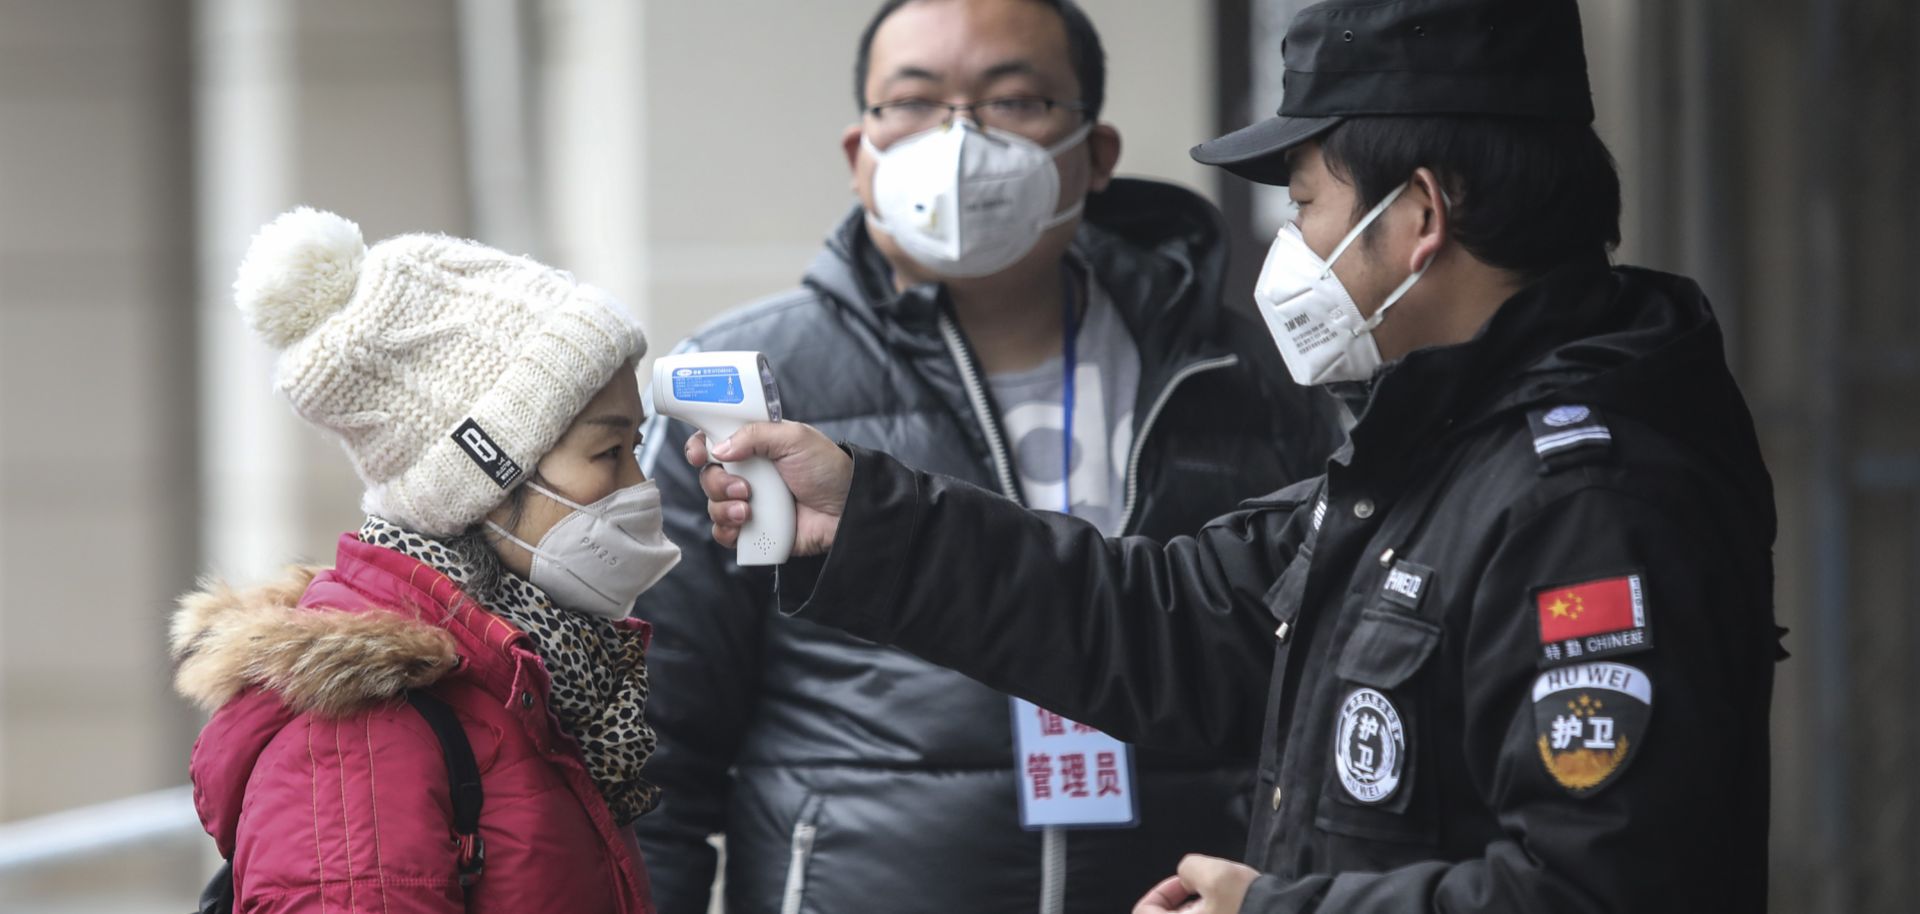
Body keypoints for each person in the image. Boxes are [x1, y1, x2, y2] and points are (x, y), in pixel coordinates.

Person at [684, 0, 1782, 911]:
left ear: (1420, 217)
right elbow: (1177, 619)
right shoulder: (1432, 455)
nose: (1288, 243)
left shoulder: (1586, 497)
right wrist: (865, 518)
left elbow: (1599, 886)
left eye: (1305, 202)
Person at [631, 0, 1338, 911]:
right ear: (861, 156)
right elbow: (653, 751)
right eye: (914, 104)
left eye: (1015, 102)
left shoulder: (1239, 375)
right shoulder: (747, 387)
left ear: (1096, 153)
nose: (960, 140)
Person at [173, 208, 675, 913]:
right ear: (486, 479)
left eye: (638, 448)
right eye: (607, 453)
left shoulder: (535, 681)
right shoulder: (358, 733)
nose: (638, 488)